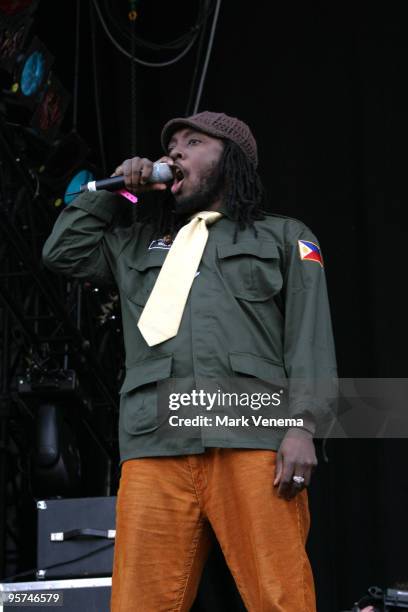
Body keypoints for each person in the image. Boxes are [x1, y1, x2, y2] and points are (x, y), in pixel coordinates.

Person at [42, 111, 337, 611]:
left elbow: (309, 339)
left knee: (280, 598)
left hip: (252, 440)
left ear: (232, 160)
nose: (174, 152)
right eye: (171, 144)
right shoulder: (137, 242)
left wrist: (304, 427)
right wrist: (117, 190)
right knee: (140, 603)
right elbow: (62, 251)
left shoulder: (285, 237)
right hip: (155, 443)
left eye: (193, 142)